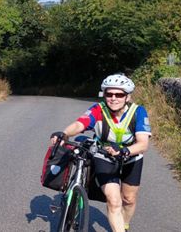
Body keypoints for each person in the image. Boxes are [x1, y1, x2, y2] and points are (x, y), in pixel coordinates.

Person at [50, 73, 152, 232]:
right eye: (109, 94)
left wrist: (125, 150)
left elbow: (143, 144)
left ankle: (123, 224)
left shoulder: (138, 112)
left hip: (131, 156)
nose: (113, 98)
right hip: (104, 156)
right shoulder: (98, 109)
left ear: (127, 97)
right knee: (114, 201)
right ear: (104, 94)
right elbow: (79, 124)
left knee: (129, 199)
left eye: (119, 94)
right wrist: (65, 134)